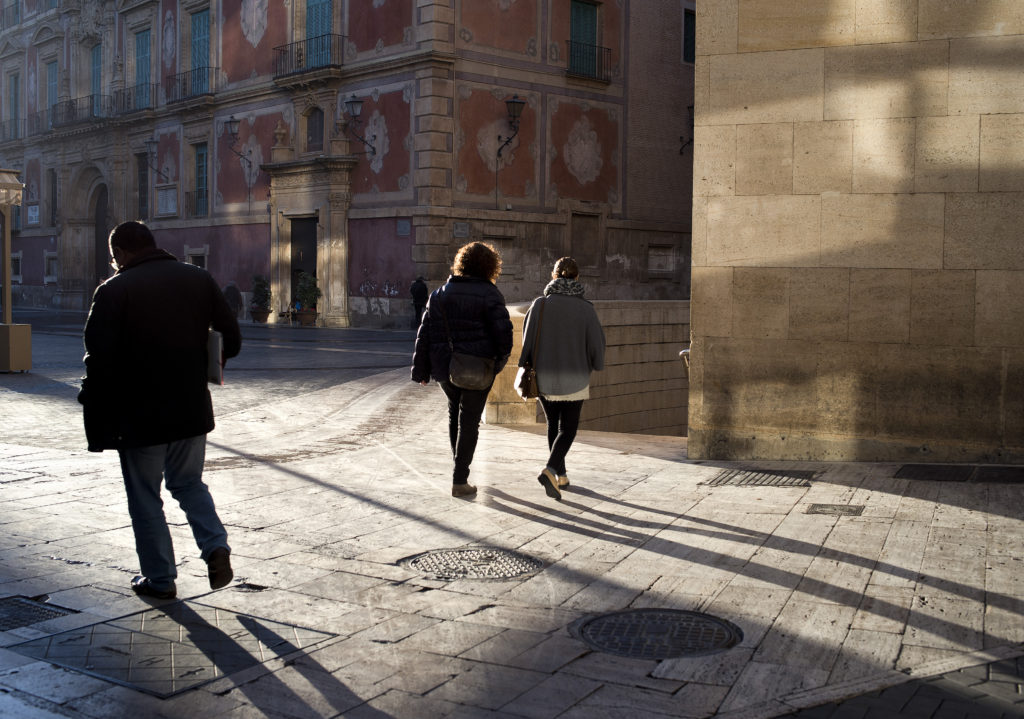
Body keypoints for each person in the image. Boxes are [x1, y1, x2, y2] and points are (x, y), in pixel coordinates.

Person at [79, 221, 242, 600]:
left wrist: (92, 401)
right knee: (188, 483)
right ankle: (215, 545)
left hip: (138, 416)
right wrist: (203, 362)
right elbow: (230, 338)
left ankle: (160, 578)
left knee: (145, 496)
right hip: (190, 406)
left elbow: (98, 359)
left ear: (119, 253)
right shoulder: (198, 278)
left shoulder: (113, 290)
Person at [412, 243, 513, 497]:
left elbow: (424, 334)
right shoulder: (490, 295)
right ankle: (460, 478)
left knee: (454, 415)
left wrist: (421, 371)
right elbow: (504, 335)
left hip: (445, 366)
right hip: (479, 366)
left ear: (461, 264)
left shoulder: (439, 294)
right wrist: (498, 362)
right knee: (469, 421)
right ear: (489, 266)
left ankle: (459, 469)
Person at [518, 257, 605, 501]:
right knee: (568, 429)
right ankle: (550, 470)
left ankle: (561, 476)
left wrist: (525, 364)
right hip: (575, 377)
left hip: (543, 376)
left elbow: (527, 340)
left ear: (554, 276)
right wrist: (597, 363)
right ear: (577, 278)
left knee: (553, 425)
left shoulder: (540, 305)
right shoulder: (586, 308)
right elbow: (596, 344)